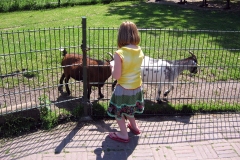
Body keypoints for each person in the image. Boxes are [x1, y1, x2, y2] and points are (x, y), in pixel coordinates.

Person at [107, 21, 144, 143]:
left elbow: (116, 76)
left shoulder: (119, 53)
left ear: (120, 35)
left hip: (123, 89)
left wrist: (112, 66)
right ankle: (134, 127)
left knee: (119, 113)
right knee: (130, 109)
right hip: (137, 87)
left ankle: (123, 134)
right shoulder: (139, 50)